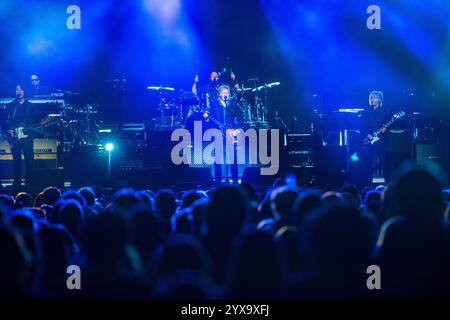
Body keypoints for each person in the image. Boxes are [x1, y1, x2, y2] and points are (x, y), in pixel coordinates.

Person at [205, 85, 243, 183]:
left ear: (229, 94)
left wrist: (237, 130)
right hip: (218, 133)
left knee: (233, 158)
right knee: (218, 158)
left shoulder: (233, 104)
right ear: (220, 94)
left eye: (227, 93)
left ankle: (235, 181)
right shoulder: (214, 104)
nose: (225, 94)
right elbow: (210, 119)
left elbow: (240, 117)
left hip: (231, 134)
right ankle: (218, 181)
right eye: (223, 93)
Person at [6, 84, 41, 188]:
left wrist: (30, 133)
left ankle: (29, 183)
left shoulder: (31, 106)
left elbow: (37, 122)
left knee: (29, 160)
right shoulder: (11, 105)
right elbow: (5, 121)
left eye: (21, 89)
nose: (19, 91)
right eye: (17, 89)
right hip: (14, 137)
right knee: (16, 161)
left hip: (27, 137)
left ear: (24, 91)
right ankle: (16, 183)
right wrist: (9, 130)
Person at [363, 91, 389, 181]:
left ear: (379, 99)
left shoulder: (384, 111)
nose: (373, 99)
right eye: (371, 97)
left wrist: (386, 129)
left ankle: (388, 182)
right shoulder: (367, 111)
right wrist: (367, 134)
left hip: (381, 139)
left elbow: (389, 124)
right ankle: (367, 181)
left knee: (383, 160)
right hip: (369, 138)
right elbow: (363, 125)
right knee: (368, 161)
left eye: (375, 97)